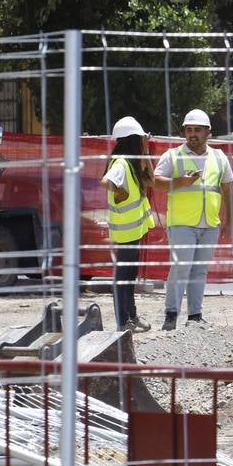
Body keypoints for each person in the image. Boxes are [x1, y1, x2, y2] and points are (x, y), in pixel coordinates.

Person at [154, 108, 233, 330]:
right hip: (181, 223)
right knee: (181, 267)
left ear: (208, 132)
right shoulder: (172, 155)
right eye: (188, 130)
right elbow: (155, 181)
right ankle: (171, 315)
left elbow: (228, 189)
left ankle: (195, 317)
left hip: (210, 223)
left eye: (197, 130)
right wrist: (180, 182)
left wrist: (230, 221)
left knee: (200, 270)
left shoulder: (219, 157)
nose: (192, 134)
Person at [101, 116, 156, 333]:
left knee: (129, 275)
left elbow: (150, 179)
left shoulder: (131, 163)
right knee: (122, 277)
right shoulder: (122, 164)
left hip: (134, 230)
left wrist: (145, 150)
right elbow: (106, 181)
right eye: (141, 138)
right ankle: (123, 322)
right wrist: (120, 191)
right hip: (126, 231)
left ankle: (131, 316)